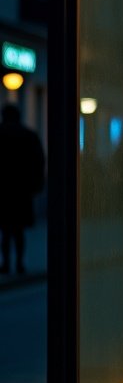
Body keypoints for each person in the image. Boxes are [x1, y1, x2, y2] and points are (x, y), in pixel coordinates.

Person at [0, 104, 46, 275]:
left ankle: (6, 263)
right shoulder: (29, 136)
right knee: (18, 231)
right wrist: (36, 185)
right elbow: (39, 161)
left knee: (5, 230)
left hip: (4, 190)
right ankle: (19, 263)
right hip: (22, 191)